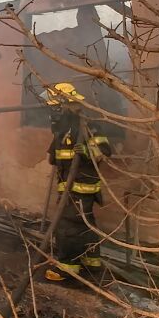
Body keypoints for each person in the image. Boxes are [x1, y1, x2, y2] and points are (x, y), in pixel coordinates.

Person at [43, 82, 112, 282]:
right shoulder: (64, 128)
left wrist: (88, 153)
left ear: (64, 105)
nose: (52, 112)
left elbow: (105, 153)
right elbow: (54, 156)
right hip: (70, 187)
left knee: (68, 227)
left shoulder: (86, 124)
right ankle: (91, 261)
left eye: (54, 107)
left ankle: (67, 268)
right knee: (85, 225)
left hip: (80, 187)